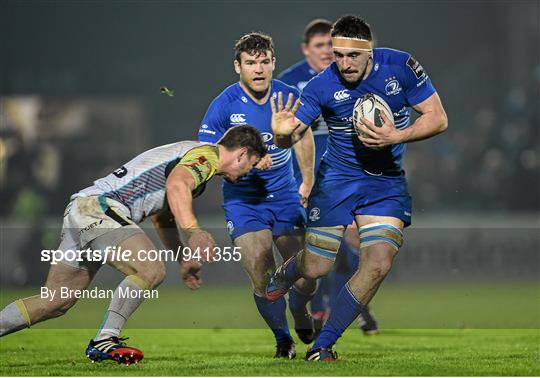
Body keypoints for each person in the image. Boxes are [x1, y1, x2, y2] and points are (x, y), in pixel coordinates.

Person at [0, 125, 267, 365]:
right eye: (251, 164)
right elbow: (176, 185)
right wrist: (194, 232)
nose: (248, 172)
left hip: (84, 209)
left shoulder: (194, 165)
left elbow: (161, 215)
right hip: (100, 208)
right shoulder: (206, 155)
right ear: (242, 153)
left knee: (56, 300)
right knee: (150, 270)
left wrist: (181, 256)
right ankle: (105, 339)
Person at [266, 15, 448, 361]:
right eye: (338, 55)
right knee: (317, 268)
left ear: (370, 51)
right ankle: (289, 271)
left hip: (385, 182)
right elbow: (293, 133)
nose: (345, 63)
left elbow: (438, 118)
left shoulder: (401, 66)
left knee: (378, 263)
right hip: (337, 181)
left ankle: (323, 345)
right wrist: (279, 132)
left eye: (353, 55)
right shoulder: (321, 85)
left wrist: (398, 136)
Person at [198, 32, 317, 359]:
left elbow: (304, 138)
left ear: (273, 63)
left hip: (286, 198)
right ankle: (283, 340)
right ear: (238, 67)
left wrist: (307, 182)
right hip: (244, 202)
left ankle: (300, 306)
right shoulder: (224, 105)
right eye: (251, 63)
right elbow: (208, 157)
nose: (259, 68)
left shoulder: (289, 97)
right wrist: (245, 164)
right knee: (261, 272)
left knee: (308, 276)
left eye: (264, 61)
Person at [278, 18, 379, 335]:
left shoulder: (348, 76)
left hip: (344, 173)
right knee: (325, 251)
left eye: (329, 46)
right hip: (304, 179)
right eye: (319, 46)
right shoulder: (290, 82)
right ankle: (326, 309)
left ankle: (340, 307)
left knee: (347, 248)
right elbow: (282, 134)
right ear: (306, 49)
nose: (326, 51)